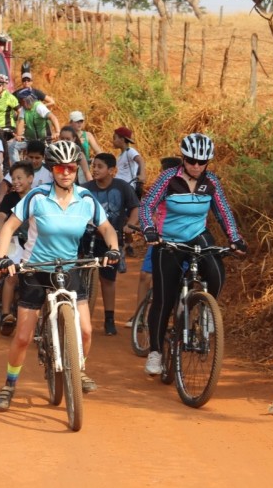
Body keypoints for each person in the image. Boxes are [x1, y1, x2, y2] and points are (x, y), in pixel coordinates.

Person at [0, 141, 120, 408]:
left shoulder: (86, 199)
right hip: (36, 270)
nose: (66, 173)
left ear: (76, 170)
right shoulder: (37, 197)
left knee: (85, 331)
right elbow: (8, 228)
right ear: (52, 169)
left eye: (71, 168)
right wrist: (3, 257)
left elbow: (107, 228)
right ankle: (9, 384)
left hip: (70, 268)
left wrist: (114, 249)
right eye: (60, 168)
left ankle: (79, 369)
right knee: (24, 336)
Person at [139, 133, 246, 375]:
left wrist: (235, 238)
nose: (196, 166)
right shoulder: (169, 178)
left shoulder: (212, 182)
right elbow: (147, 205)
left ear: (208, 162)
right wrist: (148, 229)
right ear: (183, 158)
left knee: (216, 271)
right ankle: (155, 352)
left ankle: (207, 310)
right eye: (190, 160)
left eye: (201, 162)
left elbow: (223, 212)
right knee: (164, 299)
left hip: (197, 234)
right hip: (168, 239)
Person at [82, 153, 139, 335]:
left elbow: (135, 208)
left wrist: (130, 225)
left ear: (112, 170)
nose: (95, 169)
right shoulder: (85, 189)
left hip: (111, 240)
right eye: (94, 166)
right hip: (87, 237)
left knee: (108, 280)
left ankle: (109, 318)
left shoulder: (122, 187)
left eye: (100, 166)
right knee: (79, 271)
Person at [126, 156, 181, 328]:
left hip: (182, 240)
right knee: (145, 275)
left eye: (166, 172)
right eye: (162, 172)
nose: (163, 175)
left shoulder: (185, 191)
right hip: (160, 239)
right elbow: (147, 209)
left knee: (183, 281)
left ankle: (184, 321)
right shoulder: (159, 189)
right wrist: (147, 227)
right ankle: (139, 317)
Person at [0, 160, 36, 333]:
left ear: (31, 179)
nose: (16, 182)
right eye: (13, 178)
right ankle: (6, 315)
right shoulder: (10, 198)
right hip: (13, 240)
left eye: (20, 178)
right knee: (11, 275)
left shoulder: (37, 197)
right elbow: (2, 215)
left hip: (33, 241)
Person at [112, 126, 146, 198]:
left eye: (114, 138)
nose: (113, 141)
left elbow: (141, 160)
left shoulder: (130, 151)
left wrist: (142, 174)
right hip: (120, 186)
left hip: (127, 186)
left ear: (122, 140)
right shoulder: (121, 156)